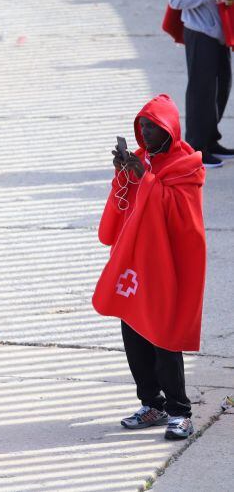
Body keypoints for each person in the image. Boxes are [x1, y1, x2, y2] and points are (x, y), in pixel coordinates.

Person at [92, 94, 206, 440]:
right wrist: (123, 175)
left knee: (164, 337)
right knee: (133, 332)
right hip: (134, 263)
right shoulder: (141, 160)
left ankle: (180, 412)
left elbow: (182, 219)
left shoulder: (187, 166)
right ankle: (151, 403)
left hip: (166, 266)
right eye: (141, 126)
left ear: (168, 130)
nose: (144, 133)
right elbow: (126, 205)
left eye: (151, 128)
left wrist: (147, 180)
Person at [169, 0, 234, 167]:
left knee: (222, 86)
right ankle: (196, 148)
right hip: (200, 31)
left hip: (220, 31)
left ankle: (210, 141)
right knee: (201, 90)